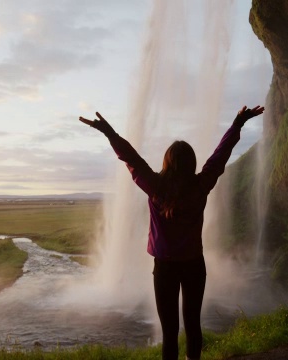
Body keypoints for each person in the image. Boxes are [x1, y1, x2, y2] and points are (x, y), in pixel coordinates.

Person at [79, 105, 264, 360]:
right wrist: (237, 124)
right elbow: (220, 157)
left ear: (166, 162)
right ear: (192, 163)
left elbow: (132, 159)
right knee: (193, 325)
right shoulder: (201, 185)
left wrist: (109, 132)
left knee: (169, 332)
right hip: (194, 266)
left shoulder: (155, 187)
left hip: (164, 268)